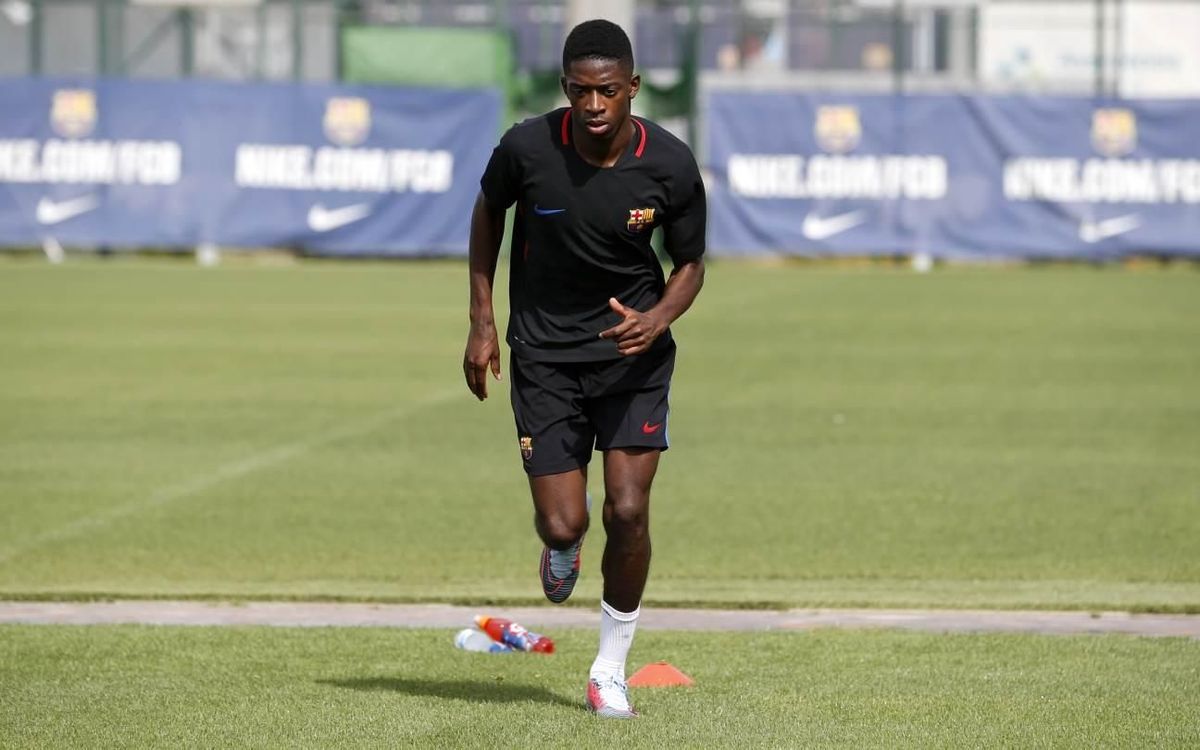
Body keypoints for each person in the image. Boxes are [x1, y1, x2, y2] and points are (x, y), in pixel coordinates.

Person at [462, 18, 706, 719]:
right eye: (578, 91)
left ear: (632, 87)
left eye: (606, 91)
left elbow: (690, 265)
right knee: (564, 524)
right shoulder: (527, 146)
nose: (593, 105)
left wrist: (657, 318)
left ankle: (608, 670)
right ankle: (560, 550)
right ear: (564, 87)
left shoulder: (670, 163)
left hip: (633, 358)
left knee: (627, 510)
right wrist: (482, 324)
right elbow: (488, 213)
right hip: (543, 357)